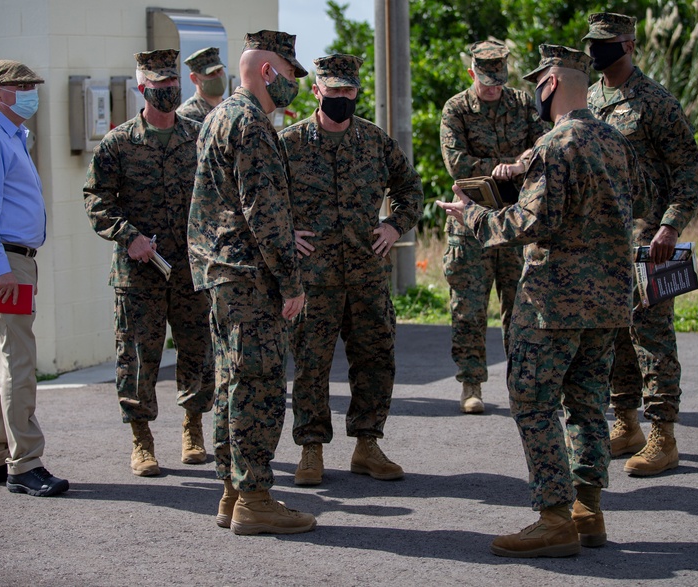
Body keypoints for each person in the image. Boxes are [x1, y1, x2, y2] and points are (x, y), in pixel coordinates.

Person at [436, 45, 654, 558]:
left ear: (551, 84)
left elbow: (527, 224)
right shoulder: (614, 142)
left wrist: (470, 215)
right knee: (586, 405)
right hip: (607, 302)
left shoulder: (555, 146)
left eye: (538, 82)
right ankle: (588, 512)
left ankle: (555, 517)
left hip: (553, 301)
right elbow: (642, 198)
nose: (534, 90)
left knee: (533, 401)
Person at [187, 30, 316, 535]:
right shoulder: (252, 125)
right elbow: (264, 214)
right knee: (258, 387)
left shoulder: (218, 116)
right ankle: (255, 499)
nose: (294, 85)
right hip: (250, 278)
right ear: (268, 71)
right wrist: (291, 283)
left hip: (222, 275)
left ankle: (231, 492)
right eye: (289, 74)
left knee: (231, 385)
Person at [280, 54, 423, 487]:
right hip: (314, 278)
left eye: (349, 90)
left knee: (375, 357)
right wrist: (286, 233)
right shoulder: (289, 143)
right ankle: (311, 448)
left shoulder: (374, 141)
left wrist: (395, 225)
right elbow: (260, 198)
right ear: (317, 89)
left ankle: (367, 445)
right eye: (334, 89)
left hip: (366, 272)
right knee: (311, 363)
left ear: (357, 91)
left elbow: (409, 188)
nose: (341, 97)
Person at [584, 12, 698, 477]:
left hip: (648, 241)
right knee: (614, 335)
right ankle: (626, 422)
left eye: (606, 43)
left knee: (651, 338)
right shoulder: (590, 98)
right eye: (592, 43)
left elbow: (689, 171)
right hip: (601, 242)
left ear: (629, 45)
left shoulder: (655, 101)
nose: (597, 51)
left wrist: (670, 227)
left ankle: (664, 435)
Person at [83, 49, 214, 477]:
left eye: (172, 83)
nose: (167, 91)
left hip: (191, 270)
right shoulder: (118, 143)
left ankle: (193, 428)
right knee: (138, 356)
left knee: (197, 351)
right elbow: (96, 200)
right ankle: (141, 439)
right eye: (158, 86)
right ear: (143, 89)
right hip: (139, 273)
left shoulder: (199, 135)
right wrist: (128, 236)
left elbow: (217, 195)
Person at [0, 59, 69, 497]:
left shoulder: (10, 135)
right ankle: (25, 464)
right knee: (17, 359)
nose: (29, 92)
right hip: (0, 261)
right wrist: (3, 269)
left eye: (32, 85)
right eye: (19, 85)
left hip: (4, 260)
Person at [440, 40, 547, 414]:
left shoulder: (521, 103)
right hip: (470, 224)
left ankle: (521, 386)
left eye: (499, 81)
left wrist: (519, 165)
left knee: (521, 307)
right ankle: (472, 385)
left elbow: (543, 148)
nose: (493, 88)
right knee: (469, 309)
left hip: (516, 221)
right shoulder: (455, 109)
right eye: (486, 82)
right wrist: (510, 164)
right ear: (472, 73)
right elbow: (458, 164)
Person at [178, 46, 227, 123]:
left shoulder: (231, 108)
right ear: (194, 78)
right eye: (210, 74)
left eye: (219, 70)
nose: (218, 77)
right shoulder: (187, 115)